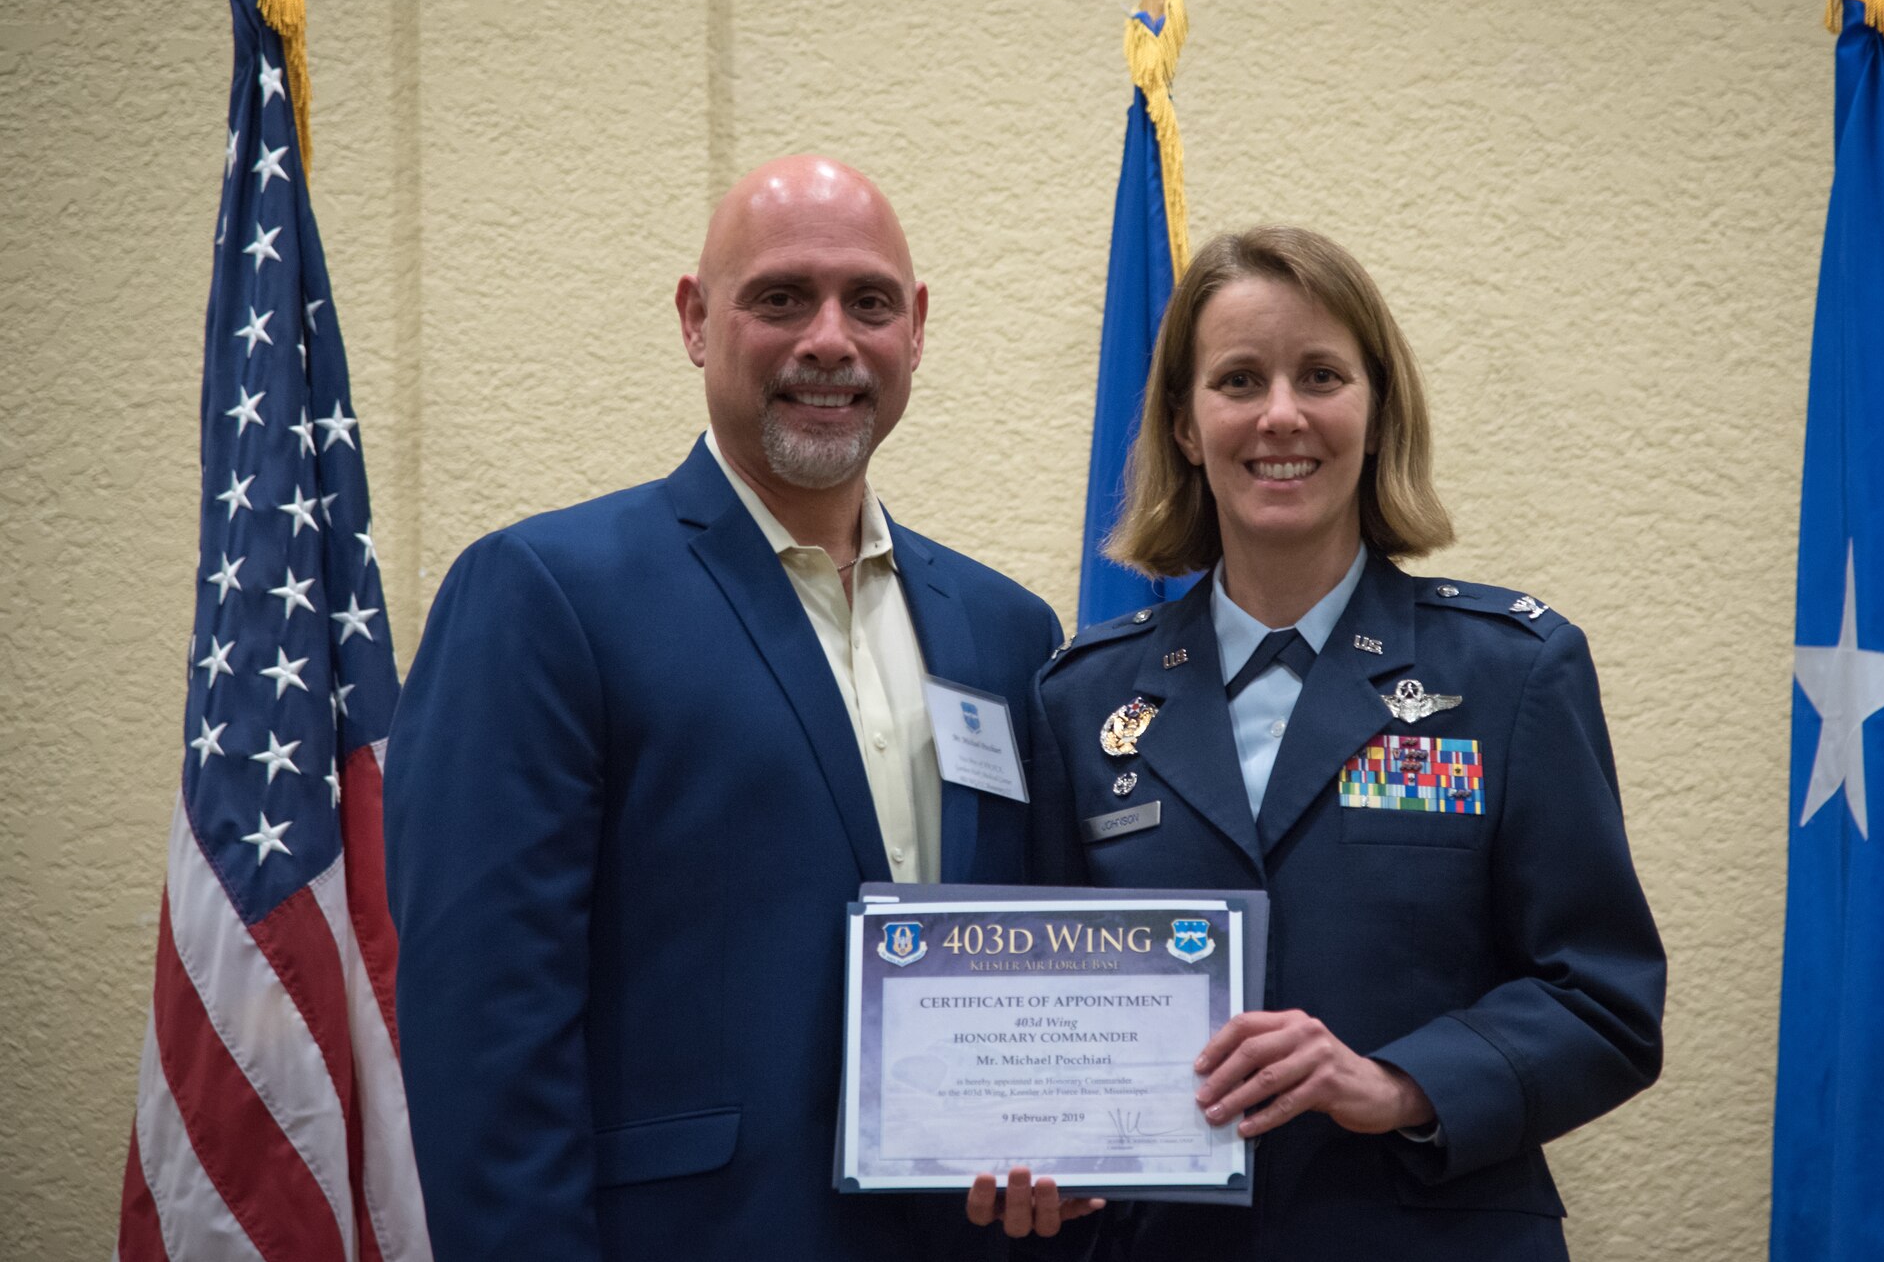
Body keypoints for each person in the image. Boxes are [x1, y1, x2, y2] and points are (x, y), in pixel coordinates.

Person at [385, 156, 1064, 1260]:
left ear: (918, 328)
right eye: (781, 298)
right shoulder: (545, 593)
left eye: (869, 303)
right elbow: (484, 1031)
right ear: (697, 320)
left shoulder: (1007, 628)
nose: (830, 340)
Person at [975, 225, 1665, 1258]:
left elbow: (1604, 1001)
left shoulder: (1512, 673)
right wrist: (1025, 1157)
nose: (1280, 415)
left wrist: (1395, 1083)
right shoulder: (1083, 699)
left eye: (1321, 376)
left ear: (1376, 409)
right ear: (1182, 424)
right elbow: (1044, 1021)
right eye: (1238, 380)